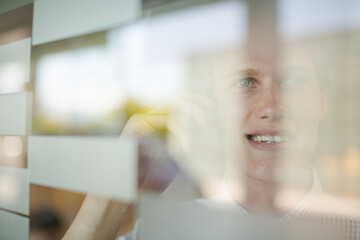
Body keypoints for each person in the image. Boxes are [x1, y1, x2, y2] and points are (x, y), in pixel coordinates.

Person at [63, 49, 360, 240]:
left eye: (294, 81)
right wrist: (113, 190)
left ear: (322, 101)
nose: (272, 106)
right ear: (213, 107)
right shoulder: (166, 234)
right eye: (245, 83)